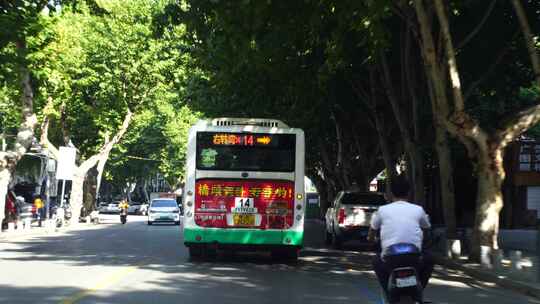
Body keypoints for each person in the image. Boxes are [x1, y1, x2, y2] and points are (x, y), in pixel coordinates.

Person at [367, 175, 434, 294]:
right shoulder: (418, 209)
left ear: (391, 193)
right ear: (409, 193)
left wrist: (371, 240)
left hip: (390, 259)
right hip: (414, 258)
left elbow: (372, 231)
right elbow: (427, 228)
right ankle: (419, 290)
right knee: (429, 258)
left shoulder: (382, 210)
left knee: (376, 261)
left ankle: (388, 291)